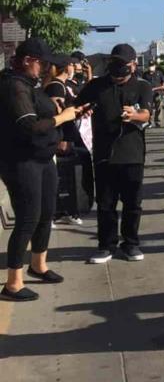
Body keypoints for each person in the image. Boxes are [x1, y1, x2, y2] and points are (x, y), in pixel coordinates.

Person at [0, 38, 87, 301]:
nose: (46, 68)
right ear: (27, 61)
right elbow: (28, 125)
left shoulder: (29, 84)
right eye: (43, 62)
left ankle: (39, 264)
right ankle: (13, 283)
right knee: (28, 217)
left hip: (43, 157)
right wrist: (62, 117)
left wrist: (72, 112)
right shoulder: (14, 86)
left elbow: (44, 117)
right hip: (21, 161)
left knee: (46, 212)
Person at [75, 44, 153, 264]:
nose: (118, 68)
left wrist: (135, 115)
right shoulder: (96, 85)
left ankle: (131, 243)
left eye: (123, 64)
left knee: (132, 204)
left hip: (132, 154)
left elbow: (147, 114)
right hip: (104, 154)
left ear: (133, 64)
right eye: (114, 63)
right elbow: (76, 106)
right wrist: (82, 109)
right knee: (106, 203)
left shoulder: (142, 86)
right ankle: (106, 245)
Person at [44, 54, 89, 226]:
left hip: (67, 135)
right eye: (71, 65)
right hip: (61, 136)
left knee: (66, 175)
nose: (74, 68)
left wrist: (81, 110)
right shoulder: (56, 87)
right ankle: (54, 212)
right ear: (65, 67)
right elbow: (58, 114)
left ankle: (65, 210)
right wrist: (62, 138)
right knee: (60, 177)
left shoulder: (61, 85)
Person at [142, 63, 164, 127]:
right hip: (148, 94)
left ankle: (158, 122)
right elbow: (142, 83)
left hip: (158, 93)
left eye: (152, 66)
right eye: (150, 65)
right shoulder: (145, 74)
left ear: (155, 66)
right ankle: (149, 122)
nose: (151, 67)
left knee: (159, 108)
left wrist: (163, 91)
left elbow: (163, 84)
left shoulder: (159, 73)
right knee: (149, 108)